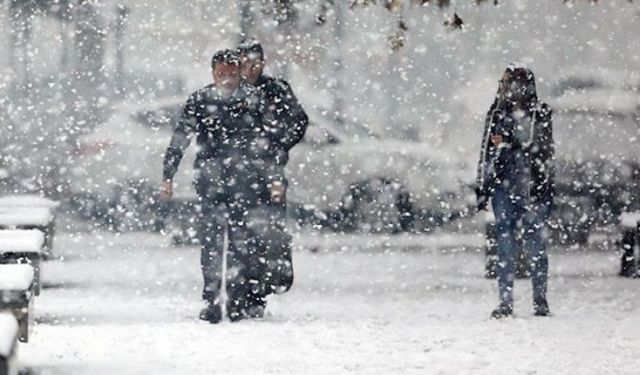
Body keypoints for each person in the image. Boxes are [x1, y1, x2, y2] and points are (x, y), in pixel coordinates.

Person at [161, 49, 273, 323]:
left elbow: (269, 144)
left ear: (239, 72)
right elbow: (181, 137)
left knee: (239, 243)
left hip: (244, 182)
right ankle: (212, 299)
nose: (226, 79)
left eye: (231, 73)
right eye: (221, 74)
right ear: (213, 73)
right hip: (212, 181)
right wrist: (168, 174)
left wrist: (272, 178)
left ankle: (235, 299)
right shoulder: (201, 100)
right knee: (212, 242)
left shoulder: (253, 100)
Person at [476, 63, 555, 319]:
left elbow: (539, 147)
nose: (503, 88)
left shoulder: (539, 113)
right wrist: (483, 186)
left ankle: (539, 300)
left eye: (506, 83)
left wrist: (508, 144)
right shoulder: (497, 113)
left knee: (534, 245)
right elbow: (487, 151)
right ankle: (506, 301)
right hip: (504, 187)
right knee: (506, 243)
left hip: (533, 188)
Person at [236, 39, 308, 299]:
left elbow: (299, 121)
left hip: (270, 170)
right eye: (245, 63)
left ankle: (270, 279)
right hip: (238, 173)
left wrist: (279, 145)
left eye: (254, 63)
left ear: (262, 64)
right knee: (241, 228)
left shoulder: (276, 89)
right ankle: (246, 283)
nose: (250, 69)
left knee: (271, 226)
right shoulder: (231, 91)